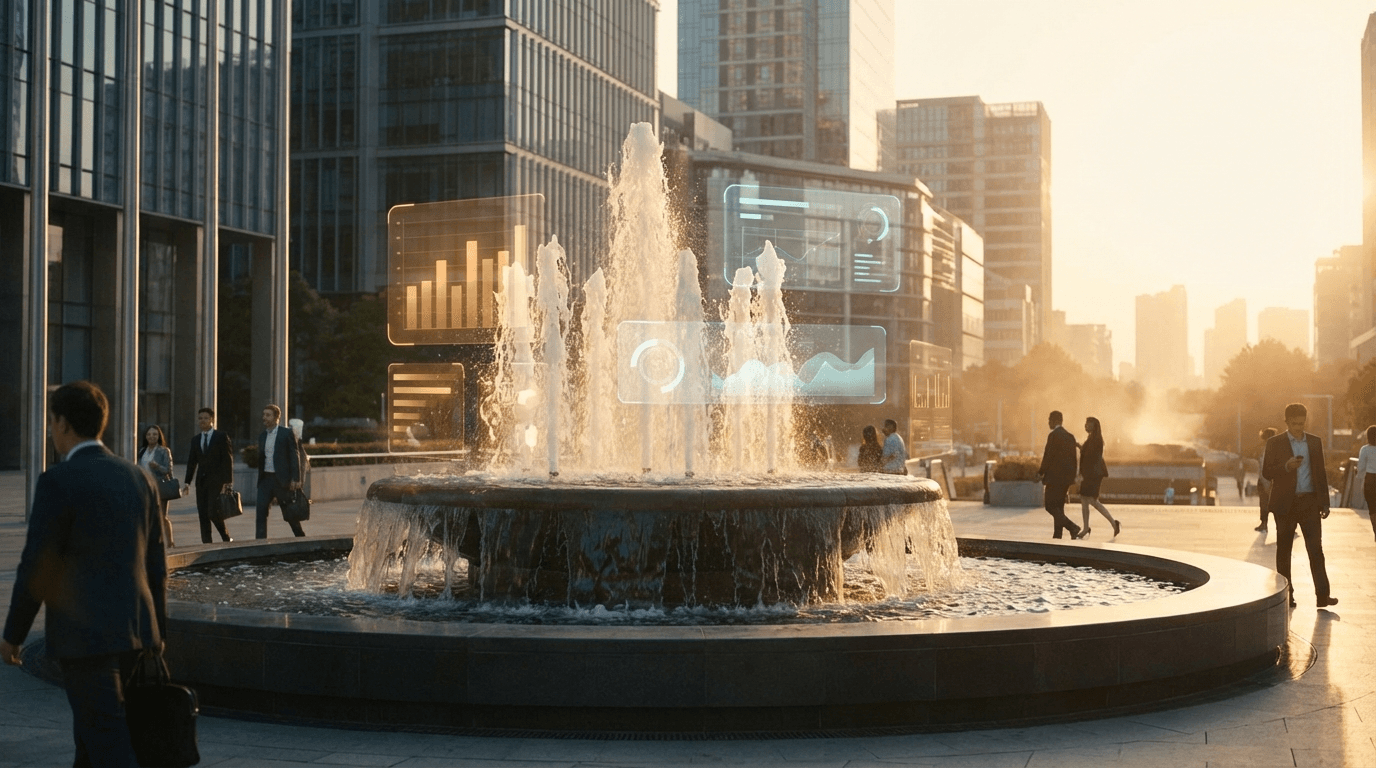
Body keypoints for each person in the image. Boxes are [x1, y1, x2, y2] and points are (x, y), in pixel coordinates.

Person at [1, 380, 167, 766]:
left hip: (85, 637)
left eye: (51, 421)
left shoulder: (58, 481)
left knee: (107, 742)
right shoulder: (138, 477)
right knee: (91, 741)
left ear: (62, 424)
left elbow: (37, 565)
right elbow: (156, 565)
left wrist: (13, 636)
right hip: (136, 631)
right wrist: (157, 633)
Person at [1262, 403, 1337, 609]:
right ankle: (1287, 595)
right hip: (1285, 504)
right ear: (1286, 422)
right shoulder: (1275, 443)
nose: (1298, 428)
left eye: (1302, 423)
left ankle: (1323, 595)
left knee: (1316, 550)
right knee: (1284, 551)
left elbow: (1320, 473)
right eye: (1294, 424)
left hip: (1310, 502)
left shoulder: (1314, 442)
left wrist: (1325, 502)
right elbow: (1267, 472)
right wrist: (1286, 466)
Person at [183, 406, 234, 543]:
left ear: (212, 419)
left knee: (212, 511)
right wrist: (187, 482)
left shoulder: (221, 436)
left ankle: (225, 536)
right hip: (201, 482)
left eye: (206, 418)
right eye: (200, 418)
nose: (202, 421)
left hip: (217, 482)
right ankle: (206, 543)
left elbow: (227, 460)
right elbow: (192, 462)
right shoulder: (195, 439)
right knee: (203, 514)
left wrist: (228, 482)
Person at [256, 403, 305, 539]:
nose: (264, 418)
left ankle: (301, 538)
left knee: (290, 514)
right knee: (260, 512)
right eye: (263, 415)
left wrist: (296, 478)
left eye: (268, 415)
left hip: (282, 480)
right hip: (265, 480)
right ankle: (259, 544)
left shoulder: (286, 433)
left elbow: (295, 456)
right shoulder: (262, 436)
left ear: (276, 417)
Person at [1037, 410, 1082, 540]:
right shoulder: (1070, 436)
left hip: (1054, 478)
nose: (1048, 423)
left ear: (1054, 421)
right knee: (1059, 507)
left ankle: (1073, 527)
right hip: (1066, 479)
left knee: (1050, 506)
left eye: (1049, 420)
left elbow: (1048, 457)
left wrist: (1040, 472)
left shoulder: (1053, 436)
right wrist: (1072, 477)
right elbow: (1074, 459)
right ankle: (1057, 535)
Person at [1078, 416, 1120, 539]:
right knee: (1084, 499)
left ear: (1094, 425)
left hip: (1093, 475)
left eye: (1088, 423)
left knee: (1091, 500)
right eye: (1085, 423)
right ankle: (1086, 528)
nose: (1085, 425)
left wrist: (1083, 474)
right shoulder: (1091, 438)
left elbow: (1092, 458)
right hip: (1090, 474)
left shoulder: (1097, 440)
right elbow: (1089, 454)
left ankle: (1113, 523)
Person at [137, 424, 176, 548]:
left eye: (154, 434)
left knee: (162, 517)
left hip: (160, 487)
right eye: (149, 434)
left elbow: (168, 470)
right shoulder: (142, 451)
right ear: (145, 436)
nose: (151, 437)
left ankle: (170, 543)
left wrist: (157, 466)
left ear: (159, 436)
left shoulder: (164, 451)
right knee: (147, 516)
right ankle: (151, 543)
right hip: (145, 487)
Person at [1254, 427, 1278, 533]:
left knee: (1266, 504)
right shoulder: (1273, 449)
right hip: (1271, 481)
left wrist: (1266, 483)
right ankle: (1280, 526)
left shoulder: (1268, 450)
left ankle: (1264, 524)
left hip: (1268, 481)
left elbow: (1264, 467)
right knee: (1275, 505)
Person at [1357, 425, 1376, 541]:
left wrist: (1360, 478)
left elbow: (1361, 467)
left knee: (1373, 509)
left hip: (1370, 480)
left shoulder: (1365, 449)